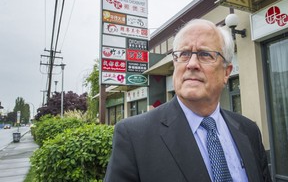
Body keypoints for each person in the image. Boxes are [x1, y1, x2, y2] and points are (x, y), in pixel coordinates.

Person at [104, 19, 272, 182]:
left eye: (205, 54)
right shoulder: (134, 136)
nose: (192, 64)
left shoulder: (249, 131)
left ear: (226, 72)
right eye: (183, 54)